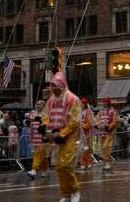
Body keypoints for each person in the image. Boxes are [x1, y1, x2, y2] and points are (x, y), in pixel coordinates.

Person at [45, 72, 81, 202]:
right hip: (57, 136)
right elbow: (46, 117)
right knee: (59, 166)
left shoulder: (72, 99)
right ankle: (65, 193)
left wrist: (63, 134)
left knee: (66, 165)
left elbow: (74, 120)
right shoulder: (51, 100)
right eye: (52, 86)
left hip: (70, 137)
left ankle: (75, 190)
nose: (53, 88)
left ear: (61, 85)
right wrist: (45, 130)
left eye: (55, 86)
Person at [25, 101, 49, 179]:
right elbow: (29, 123)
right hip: (34, 136)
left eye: (40, 104)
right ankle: (44, 169)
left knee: (39, 153)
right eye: (37, 104)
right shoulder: (33, 113)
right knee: (42, 155)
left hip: (42, 136)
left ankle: (34, 169)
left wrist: (40, 121)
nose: (38, 106)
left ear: (44, 106)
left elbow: (46, 123)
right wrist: (28, 121)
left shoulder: (46, 114)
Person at [95, 98, 118, 170]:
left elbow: (116, 121)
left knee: (106, 147)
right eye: (103, 102)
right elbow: (97, 120)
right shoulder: (101, 112)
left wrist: (109, 127)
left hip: (109, 132)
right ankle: (106, 162)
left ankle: (108, 162)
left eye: (105, 102)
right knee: (102, 148)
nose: (104, 104)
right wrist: (99, 125)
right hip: (102, 132)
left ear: (108, 103)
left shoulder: (113, 111)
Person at [78, 98, 94, 170]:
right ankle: (82, 163)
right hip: (79, 134)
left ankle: (89, 162)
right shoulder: (78, 112)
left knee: (86, 149)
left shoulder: (89, 112)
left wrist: (82, 126)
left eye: (83, 103)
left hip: (87, 133)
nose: (81, 104)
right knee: (80, 149)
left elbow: (89, 123)